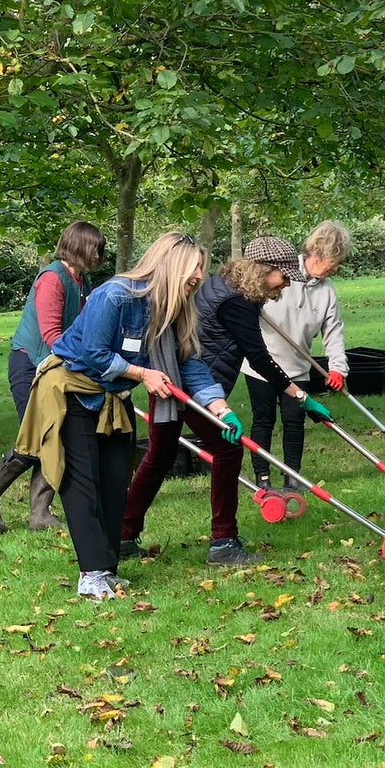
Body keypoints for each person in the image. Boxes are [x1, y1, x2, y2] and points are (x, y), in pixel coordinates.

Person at [20, 231, 237, 602]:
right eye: (194, 267)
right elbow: (90, 353)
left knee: (115, 481)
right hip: (72, 393)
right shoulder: (115, 295)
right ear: (170, 265)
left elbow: (190, 363)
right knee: (83, 484)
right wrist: (141, 374)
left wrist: (221, 409)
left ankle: (106, 570)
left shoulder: (176, 306)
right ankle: (90, 576)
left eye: (202, 267)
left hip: (112, 397)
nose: (200, 275)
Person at [119, 236, 331, 567]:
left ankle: (123, 535)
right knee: (227, 449)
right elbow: (259, 357)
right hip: (192, 382)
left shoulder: (226, 284)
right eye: (284, 276)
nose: (287, 283)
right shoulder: (236, 302)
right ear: (265, 270)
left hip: (173, 374)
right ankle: (224, 542)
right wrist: (300, 396)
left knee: (160, 455)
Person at [0, 221, 105, 534]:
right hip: (30, 364)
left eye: (100, 247)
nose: (98, 253)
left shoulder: (81, 281)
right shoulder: (53, 279)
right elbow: (52, 335)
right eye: (94, 247)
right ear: (77, 246)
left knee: (58, 435)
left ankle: (40, 513)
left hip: (58, 367)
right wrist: (82, 362)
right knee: (36, 436)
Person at [245, 220, 351, 490]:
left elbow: (333, 331)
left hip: (298, 367)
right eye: (334, 261)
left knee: (295, 421)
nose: (336, 268)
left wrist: (338, 367)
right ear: (317, 254)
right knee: (264, 419)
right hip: (261, 365)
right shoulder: (281, 274)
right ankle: (263, 477)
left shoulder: (327, 291)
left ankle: (293, 476)